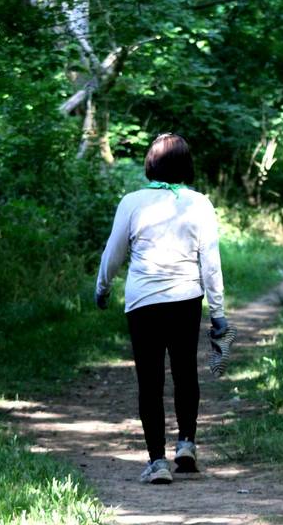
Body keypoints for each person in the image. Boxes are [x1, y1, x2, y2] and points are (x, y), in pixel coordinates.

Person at [95, 133, 230, 484]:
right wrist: (218, 311)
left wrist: (102, 288)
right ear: (186, 166)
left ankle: (157, 461)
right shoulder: (199, 203)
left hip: (143, 304)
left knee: (149, 380)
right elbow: (210, 262)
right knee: (186, 372)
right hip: (186, 300)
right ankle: (187, 443)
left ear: (150, 164)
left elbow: (114, 252)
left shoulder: (132, 202)